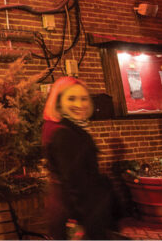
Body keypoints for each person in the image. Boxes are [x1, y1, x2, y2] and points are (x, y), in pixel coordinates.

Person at [42, 77, 117, 239]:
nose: (79, 104)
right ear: (59, 103)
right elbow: (75, 184)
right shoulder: (64, 134)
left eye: (83, 99)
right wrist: (86, 222)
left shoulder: (73, 129)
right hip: (78, 218)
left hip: (79, 214)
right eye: (71, 99)